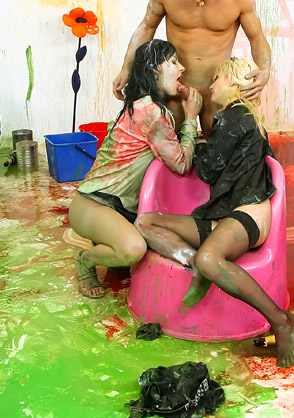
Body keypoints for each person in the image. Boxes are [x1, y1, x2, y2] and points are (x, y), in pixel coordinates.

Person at [135, 58, 294, 367]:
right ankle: (197, 263)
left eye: (217, 79)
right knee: (146, 222)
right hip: (228, 216)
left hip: (247, 214)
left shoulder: (232, 117)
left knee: (208, 257)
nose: (211, 87)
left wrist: (192, 131)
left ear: (233, 83)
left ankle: (280, 320)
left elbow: (208, 171)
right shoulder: (249, 118)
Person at [69, 39, 200, 298]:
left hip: (115, 208)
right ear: (154, 69)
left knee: (135, 256)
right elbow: (181, 164)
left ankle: (108, 243)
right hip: (95, 204)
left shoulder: (141, 105)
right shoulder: (150, 111)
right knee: (133, 250)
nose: (182, 68)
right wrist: (191, 118)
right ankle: (85, 260)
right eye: (174, 62)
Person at [111, 0, 272, 136]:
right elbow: (146, 28)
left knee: (218, 143)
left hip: (216, 89)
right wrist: (126, 68)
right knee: (169, 142)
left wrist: (265, 70)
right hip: (177, 87)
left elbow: (257, 38)